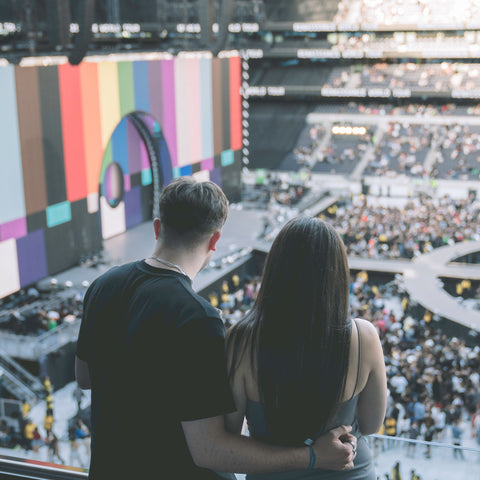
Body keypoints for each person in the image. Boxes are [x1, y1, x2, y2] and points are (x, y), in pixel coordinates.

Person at [75, 178, 357, 480]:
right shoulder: (197, 318)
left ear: (158, 227)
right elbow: (209, 450)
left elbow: (85, 377)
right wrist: (313, 456)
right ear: (214, 241)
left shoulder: (102, 286)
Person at [225, 216, 387, 479]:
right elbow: (371, 424)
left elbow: (226, 439)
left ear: (275, 268)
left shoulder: (241, 341)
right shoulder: (364, 336)